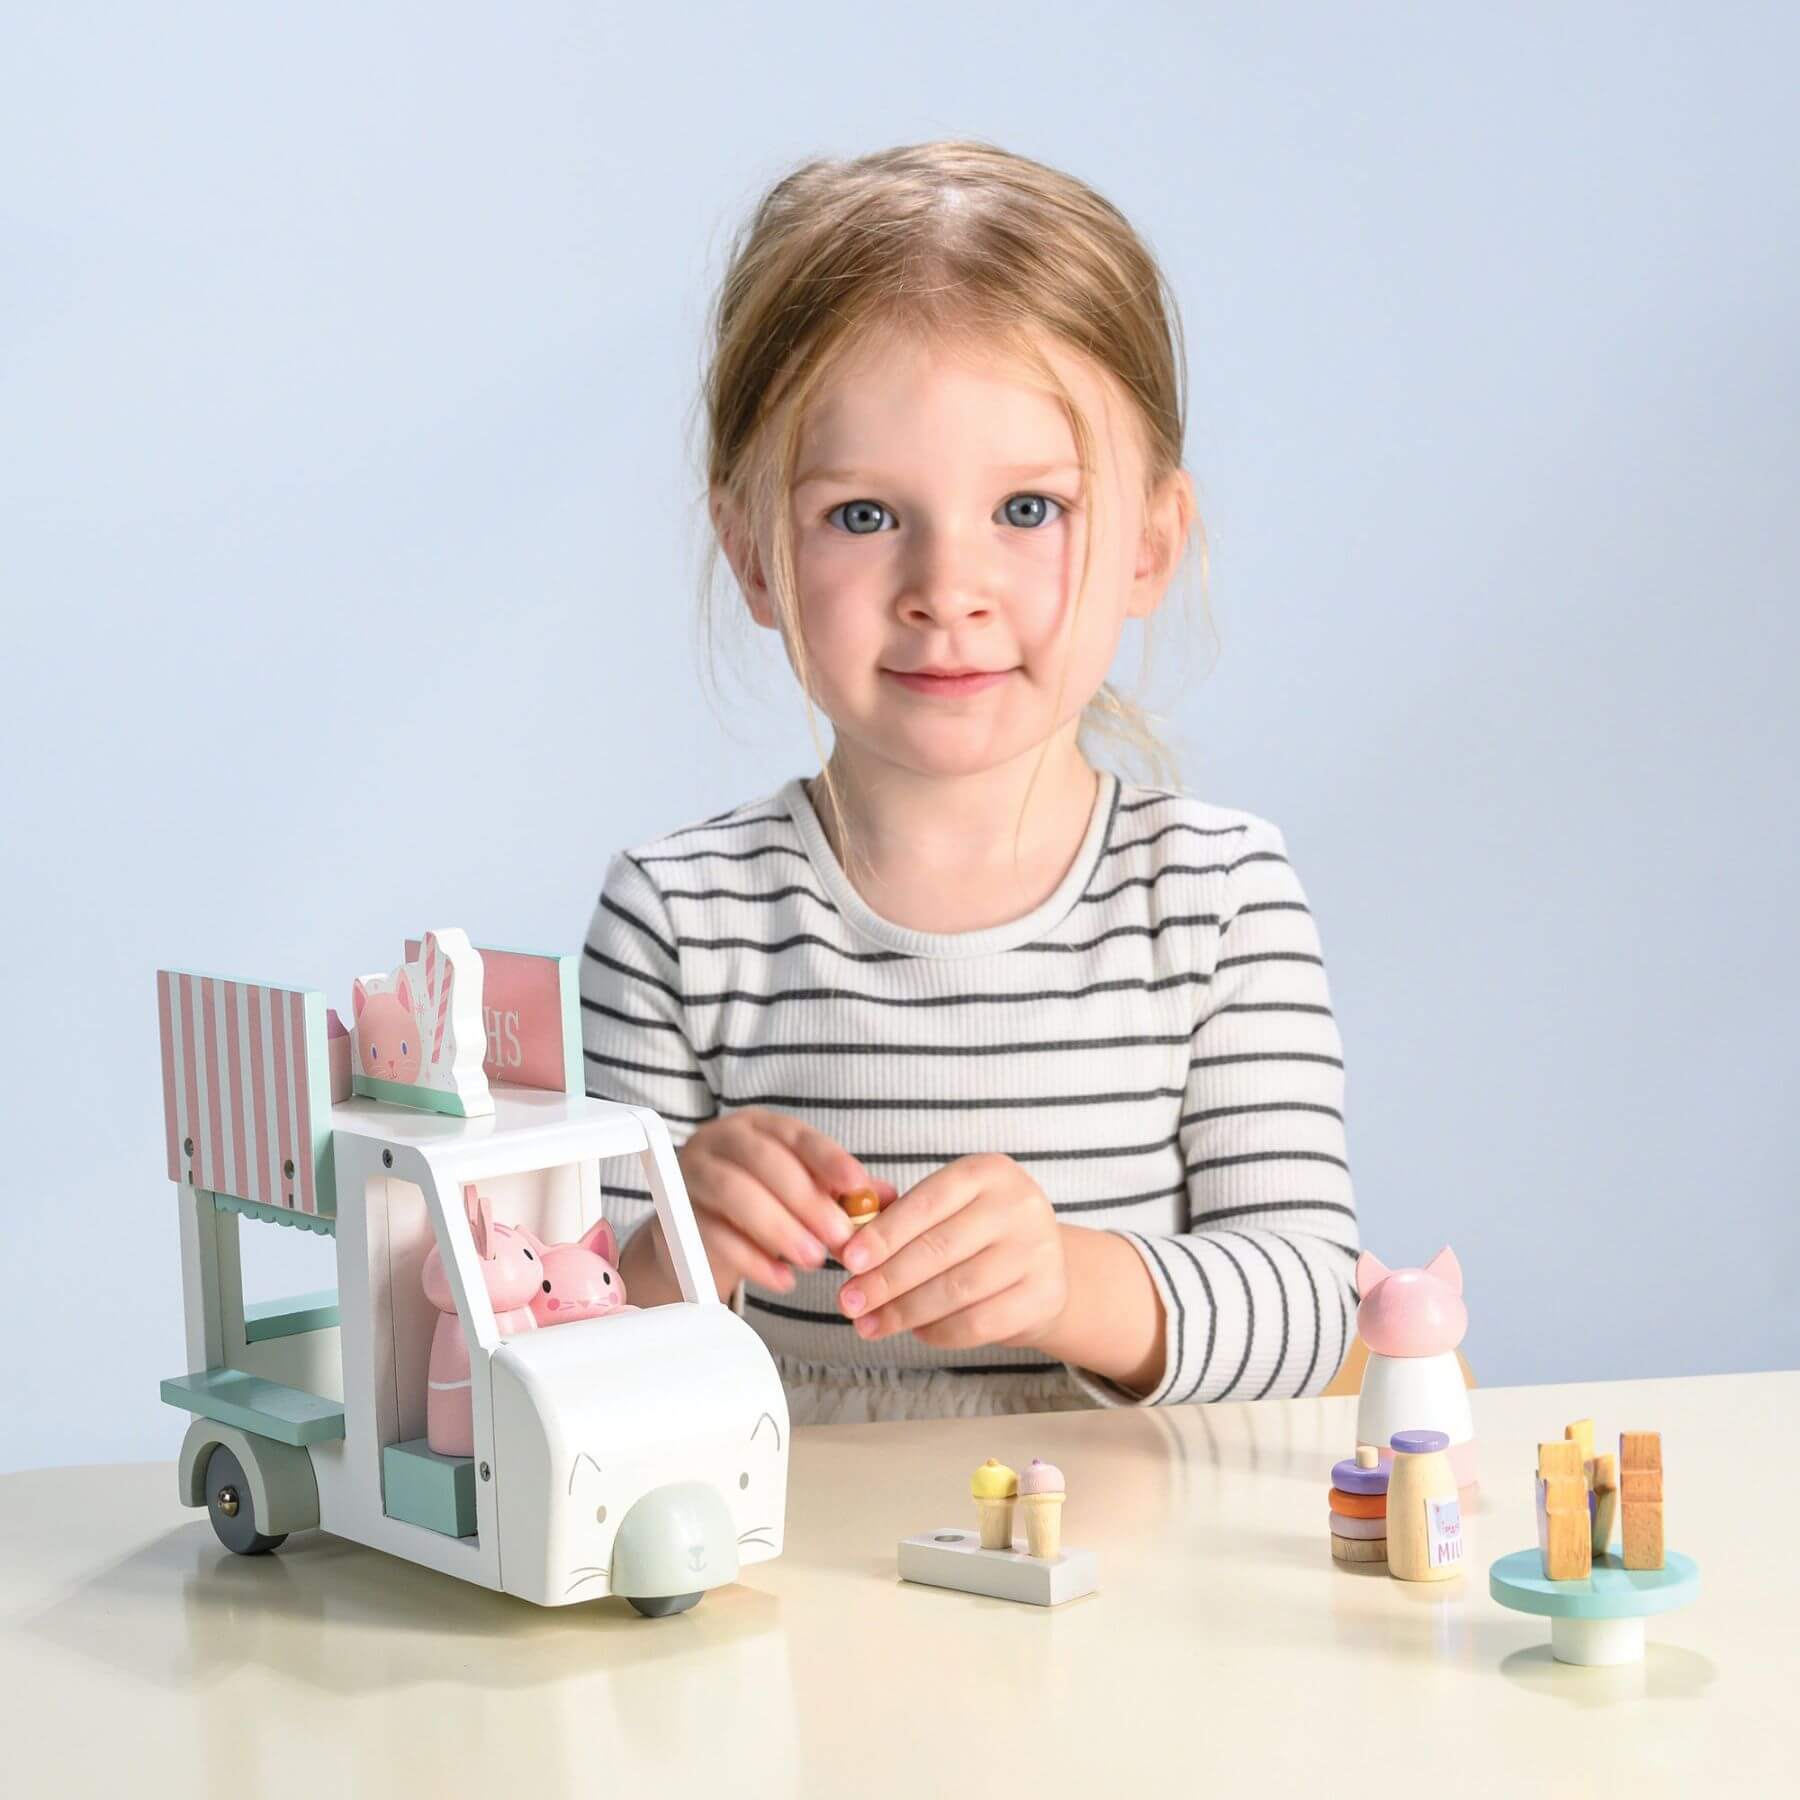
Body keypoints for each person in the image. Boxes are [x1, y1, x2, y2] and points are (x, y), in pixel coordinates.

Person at [581, 138, 1359, 1426]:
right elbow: (567, 1333)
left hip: (1122, 1596)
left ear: (1150, 547)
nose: (949, 587)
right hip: (793, 1599)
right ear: (755, 554)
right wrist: (675, 1253)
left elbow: (1304, 1304)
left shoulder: (1220, 899)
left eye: (1030, 510)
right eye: (866, 516)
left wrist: (1069, 1285)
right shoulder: (678, 918)